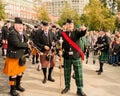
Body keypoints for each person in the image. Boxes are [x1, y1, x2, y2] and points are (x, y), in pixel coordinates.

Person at [3, 17, 29, 96]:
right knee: (13, 74)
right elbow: (17, 44)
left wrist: (25, 37)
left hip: (21, 56)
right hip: (13, 56)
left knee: (20, 73)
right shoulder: (12, 33)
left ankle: (18, 86)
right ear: (15, 25)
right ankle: (12, 89)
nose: (20, 26)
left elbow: (27, 38)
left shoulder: (22, 32)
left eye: (21, 25)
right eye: (18, 25)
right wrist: (27, 44)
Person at [61, 19, 87, 96]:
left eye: (71, 24)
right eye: (68, 24)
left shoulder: (76, 32)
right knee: (67, 73)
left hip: (76, 56)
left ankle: (79, 89)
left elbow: (82, 33)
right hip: (66, 56)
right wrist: (59, 49)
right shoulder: (63, 34)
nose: (70, 25)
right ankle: (67, 87)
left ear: (73, 25)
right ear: (66, 25)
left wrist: (84, 30)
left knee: (78, 73)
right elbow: (61, 43)